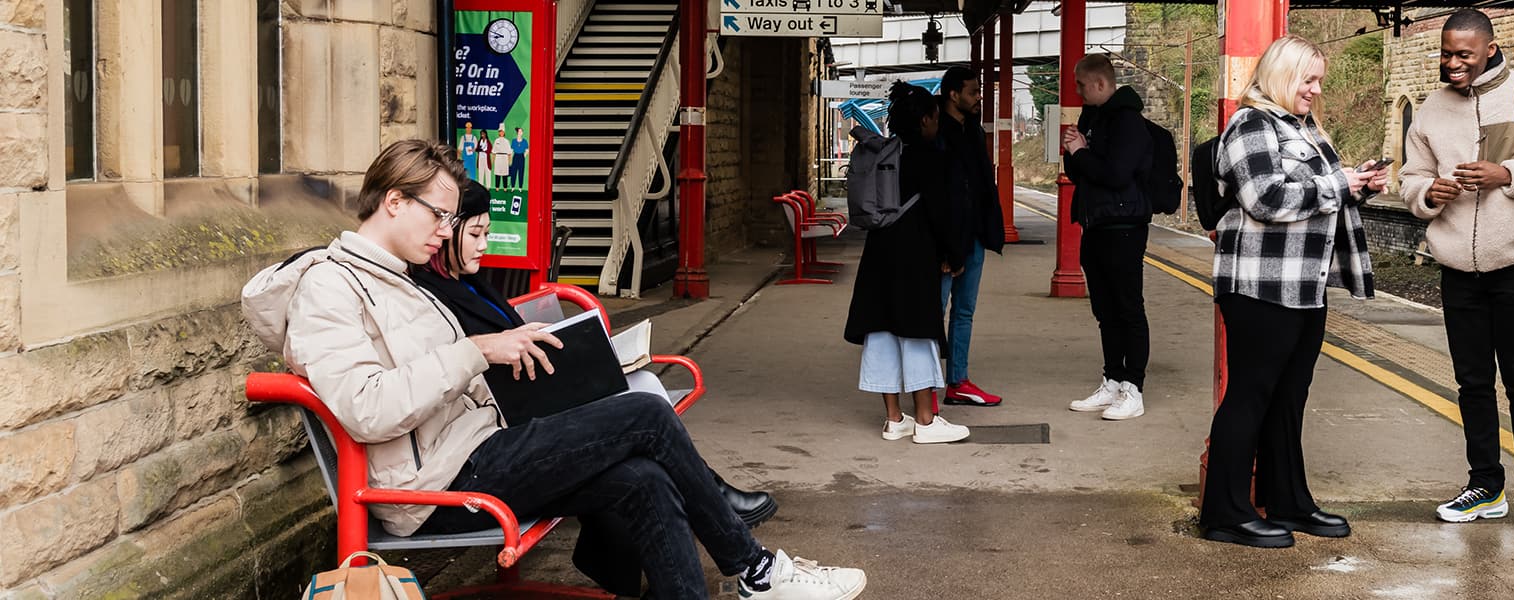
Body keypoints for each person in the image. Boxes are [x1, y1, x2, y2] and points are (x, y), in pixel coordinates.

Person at [241, 140, 866, 599]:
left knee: (644, 477)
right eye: (439, 215)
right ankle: (756, 571)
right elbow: (366, 407)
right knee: (646, 413)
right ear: (395, 202)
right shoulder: (331, 289)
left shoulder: (399, 279)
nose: (446, 231)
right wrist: (479, 352)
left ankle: (749, 575)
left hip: (480, 448)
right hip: (437, 486)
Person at [412, 178, 780, 529]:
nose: (484, 245)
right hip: (513, 412)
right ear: (444, 233)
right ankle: (709, 498)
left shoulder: (469, 280)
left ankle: (703, 497)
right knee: (641, 405)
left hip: (535, 388)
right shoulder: (437, 294)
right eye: (476, 234)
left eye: (487, 234)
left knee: (645, 384)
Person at [1398, 8, 1514, 534]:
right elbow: (1410, 176)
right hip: (1456, 266)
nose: (1453, 64)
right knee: (1471, 381)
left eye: (1464, 55)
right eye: (1446, 53)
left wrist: (1508, 173)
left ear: (1490, 47)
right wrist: (1427, 194)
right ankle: (1485, 484)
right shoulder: (1431, 109)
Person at [1200, 36, 1384, 549]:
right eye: (1308, 80)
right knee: (1250, 394)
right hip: (1260, 284)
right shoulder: (1251, 124)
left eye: (1318, 80)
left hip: (1304, 283)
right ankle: (1225, 513)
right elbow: (1265, 198)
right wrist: (1340, 184)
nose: (1316, 90)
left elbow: (1317, 200)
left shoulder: (1301, 127)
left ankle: (1288, 501)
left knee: (1288, 396)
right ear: (1282, 76)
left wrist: (1358, 185)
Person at [844, 83, 971, 444]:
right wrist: (953, 255)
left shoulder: (883, 153)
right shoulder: (933, 157)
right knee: (918, 334)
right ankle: (927, 422)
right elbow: (944, 214)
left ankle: (894, 419)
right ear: (928, 118)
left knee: (882, 332)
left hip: (879, 253)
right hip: (915, 256)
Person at [1061, 54, 1151, 421]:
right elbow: (1079, 171)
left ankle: (1134, 387)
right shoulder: (1091, 118)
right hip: (1095, 223)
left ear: (1100, 84)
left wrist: (1082, 150)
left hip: (1124, 225)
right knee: (1105, 311)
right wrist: (1074, 150)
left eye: (1081, 85)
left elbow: (1115, 174)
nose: (1078, 92)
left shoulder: (1128, 122)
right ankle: (1112, 379)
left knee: (1128, 307)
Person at [934, 66, 1008, 408]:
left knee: (964, 311)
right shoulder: (936, 131)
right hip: (946, 240)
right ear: (953, 95)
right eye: (973, 92)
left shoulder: (974, 130)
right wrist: (946, 247)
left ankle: (957, 381)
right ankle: (927, 388)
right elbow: (939, 196)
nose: (979, 97)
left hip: (975, 235)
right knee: (933, 313)